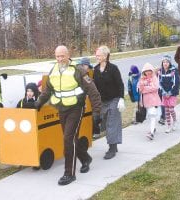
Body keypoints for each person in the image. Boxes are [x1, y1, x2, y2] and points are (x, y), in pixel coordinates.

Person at [34, 45, 101, 186]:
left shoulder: (78, 70)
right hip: (62, 109)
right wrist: (38, 103)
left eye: (62, 56)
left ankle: (69, 173)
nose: (59, 59)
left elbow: (93, 91)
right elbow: (47, 90)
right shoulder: (54, 70)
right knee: (71, 139)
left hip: (76, 108)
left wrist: (96, 112)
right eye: (57, 56)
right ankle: (85, 158)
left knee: (68, 139)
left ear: (68, 55)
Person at [94, 45, 125, 159]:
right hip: (103, 101)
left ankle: (111, 149)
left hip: (114, 99)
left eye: (99, 55)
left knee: (112, 123)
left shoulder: (113, 68)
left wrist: (121, 99)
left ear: (105, 55)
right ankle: (114, 144)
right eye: (96, 55)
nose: (96, 57)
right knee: (106, 124)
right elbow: (94, 87)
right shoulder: (96, 70)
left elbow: (120, 84)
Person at [78, 57, 102, 139]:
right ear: (84, 65)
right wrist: (96, 112)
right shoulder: (85, 77)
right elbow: (95, 94)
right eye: (88, 67)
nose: (88, 70)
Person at [138, 63, 162, 140]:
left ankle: (151, 133)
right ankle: (153, 128)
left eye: (149, 71)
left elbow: (156, 87)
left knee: (152, 115)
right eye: (146, 71)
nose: (148, 72)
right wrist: (145, 86)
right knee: (149, 116)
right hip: (146, 101)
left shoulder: (154, 78)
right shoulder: (142, 79)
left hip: (154, 100)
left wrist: (146, 89)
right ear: (144, 72)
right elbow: (140, 89)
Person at [159, 55, 180, 133]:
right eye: (164, 62)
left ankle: (174, 121)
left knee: (171, 109)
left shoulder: (174, 71)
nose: (165, 63)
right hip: (164, 94)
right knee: (166, 110)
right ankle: (168, 125)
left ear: (169, 63)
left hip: (172, 93)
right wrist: (164, 92)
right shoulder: (160, 71)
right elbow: (159, 83)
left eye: (167, 62)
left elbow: (176, 83)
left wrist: (170, 92)